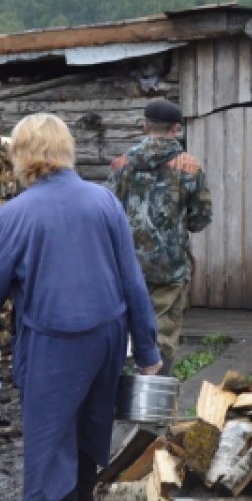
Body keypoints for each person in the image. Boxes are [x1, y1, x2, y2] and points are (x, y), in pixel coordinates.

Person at [0, 112, 162, 501]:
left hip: (52, 344)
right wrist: (148, 349)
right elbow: (133, 282)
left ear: (23, 155)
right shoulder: (104, 201)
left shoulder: (15, 214)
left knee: (52, 453)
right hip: (107, 340)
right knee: (89, 438)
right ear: (65, 149)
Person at [106, 98, 212, 376]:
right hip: (171, 266)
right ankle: (154, 400)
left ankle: (119, 391)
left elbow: (107, 212)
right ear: (176, 128)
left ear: (144, 125)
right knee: (163, 330)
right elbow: (200, 219)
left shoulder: (121, 165)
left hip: (126, 264)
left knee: (124, 324)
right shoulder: (190, 168)